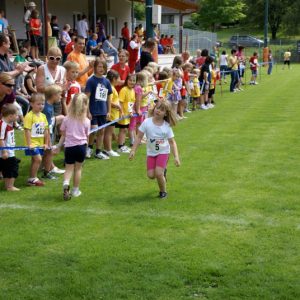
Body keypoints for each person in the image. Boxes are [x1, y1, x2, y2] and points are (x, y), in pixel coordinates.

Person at [129, 100, 180, 199]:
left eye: (162, 110)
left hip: (163, 152)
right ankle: (162, 173)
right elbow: (139, 137)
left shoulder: (166, 126)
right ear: (154, 108)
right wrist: (133, 150)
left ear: (166, 113)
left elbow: (172, 142)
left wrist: (176, 157)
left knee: (158, 173)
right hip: (151, 153)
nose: (158, 111)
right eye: (157, 108)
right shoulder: (147, 122)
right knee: (151, 175)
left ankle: (163, 192)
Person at [54, 93, 90, 200]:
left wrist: (59, 146)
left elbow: (63, 134)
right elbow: (87, 136)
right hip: (81, 147)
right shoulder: (86, 121)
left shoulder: (66, 119)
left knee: (68, 169)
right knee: (78, 169)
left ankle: (66, 183)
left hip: (69, 147)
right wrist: (86, 148)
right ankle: (75, 190)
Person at [85, 59, 112, 160]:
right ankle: (89, 148)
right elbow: (86, 97)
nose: (101, 69)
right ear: (95, 67)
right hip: (93, 111)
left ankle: (98, 151)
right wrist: (88, 111)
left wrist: (108, 111)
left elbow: (109, 97)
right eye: (99, 67)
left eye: (103, 67)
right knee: (94, 130)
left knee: (101, 131)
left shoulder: (106, 81)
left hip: (103, 111)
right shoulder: (91, 81)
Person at [24, 93, 49, 187]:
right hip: (32, 143)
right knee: (38, 159)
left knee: (34, 160)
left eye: (42, 104)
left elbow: (46, 130)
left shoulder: (43, 116)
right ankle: (32, 178)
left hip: (40, 143)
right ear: (32, 104)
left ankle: (32, 178)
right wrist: (29, 144)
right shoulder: (29, 116)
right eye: (38, 104)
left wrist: (46, 143)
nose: (41, 106)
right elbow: (27, 130)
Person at [42, 84, 64, 179]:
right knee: (48, 152)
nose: (61, 96)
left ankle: (48, 170)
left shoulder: (49, 106)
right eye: (59, 94)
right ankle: (47, 172)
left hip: (48, 132)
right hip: (46, 134)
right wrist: (48, 140)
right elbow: (45, 125)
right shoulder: (47, 108)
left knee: (48, 153)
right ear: (54, 95)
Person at [36, 47, 66, 116]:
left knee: (57, 122)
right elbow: (39, 88)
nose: (55, 60)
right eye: (52, 58)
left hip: (57, 102)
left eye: (58, 58)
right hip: (44, 102)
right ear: (47, 57)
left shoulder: (63, 70)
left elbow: (64, 88)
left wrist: (62, 88)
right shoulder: (42, 68)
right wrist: (54, 87)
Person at [0, 104, 20, 191]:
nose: (18, 116)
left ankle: (7, 185)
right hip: (7, 153)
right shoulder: (3, 125)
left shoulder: (8, 123)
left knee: (7, 169)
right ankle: (9, 186)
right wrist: (4, 151)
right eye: (17, 115)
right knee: (13, 168)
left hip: (9, 151)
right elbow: (1, 139)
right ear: (10, 116)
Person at [103, 69, 123, 157]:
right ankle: (108, 149)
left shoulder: (111, 87)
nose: (120, 80)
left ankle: (107, 148)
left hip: (113, 114)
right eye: (119, 78)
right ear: (114, 79)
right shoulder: (110, 87)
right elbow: (109, 101)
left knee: (109, 132)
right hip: (111, 114)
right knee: (109, 132)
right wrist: (118, 106)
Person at [116, 74, 136, 153]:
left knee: (125, 130)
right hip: (123, 114)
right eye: (130, 80)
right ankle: (120, 146)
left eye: (134, 80)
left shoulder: (132, 90)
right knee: (122, 129)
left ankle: (123, 144)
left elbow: (131, 102)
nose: (132, 82)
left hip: (128, 114)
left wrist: (131, 111)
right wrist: (121, 112)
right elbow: (120, 102)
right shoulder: (124, 90)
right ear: (126, 80)